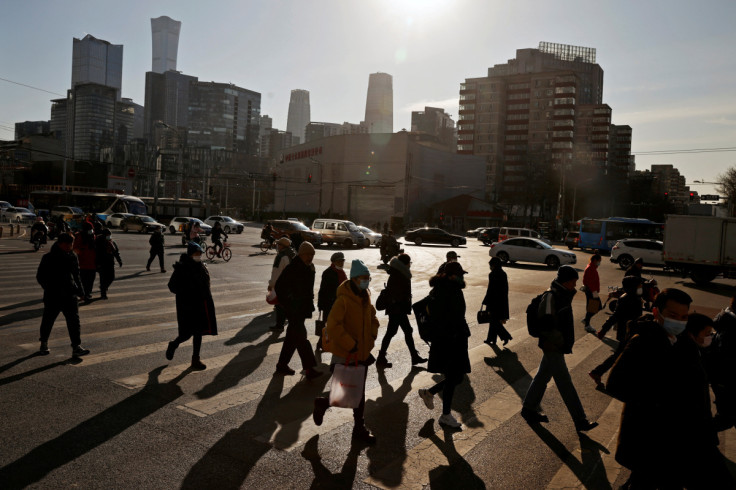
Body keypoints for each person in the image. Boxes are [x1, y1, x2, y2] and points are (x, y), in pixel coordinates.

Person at [606, 288, 692, 488]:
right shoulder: (642, 342)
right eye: (673, 315)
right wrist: (655, 401)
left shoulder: (683, 343)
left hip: (670, 435)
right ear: (656, 313)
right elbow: (615, 384)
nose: (679, 321)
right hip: (645, 433)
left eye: (684, 316)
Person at [520, 265, 598, 432]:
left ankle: (528, 409)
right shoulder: (552, 296)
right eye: (573, 282)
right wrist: (560, 341)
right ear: (565, 281)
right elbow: (546, 324)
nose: (575, 285)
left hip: (555, 345)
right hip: (552, 346)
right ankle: (580, 420)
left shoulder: (562, 294)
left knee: (542, 377)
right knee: (565, 383)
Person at [313, 259, 380, 444]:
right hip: (346, 354)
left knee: (356, 394)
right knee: (351, 394)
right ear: (355, 279)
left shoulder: (365, 297)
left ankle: (358, 430)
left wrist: (372, 336)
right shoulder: (343, 300)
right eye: (363, 278)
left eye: (368, 278)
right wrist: (350, 344)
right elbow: (333, 325)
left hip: (363, 354)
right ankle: (324, 404)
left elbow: (373, 318)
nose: (367, 281)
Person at [674, 313, 735, 489]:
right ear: (692, 334)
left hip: (698, 432)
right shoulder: (685, 359)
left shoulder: (696, 352)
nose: (711, 336)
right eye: (707, 333)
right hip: (693, 435)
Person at [417, 261, 471, 429]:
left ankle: (430, 393)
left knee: (456, 377)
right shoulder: (448, 290)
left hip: (451, 340)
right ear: (452, 276)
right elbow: (446, 318)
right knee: (455, 377)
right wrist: (454, 334)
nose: (462, 277)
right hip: (450, 342)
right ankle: (445, 415)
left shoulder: (443, 288)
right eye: (460, 274)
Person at [165, 242, 218, 370]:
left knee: (198, 333)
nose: (198, 256)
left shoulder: (201, 266)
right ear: (190, 254)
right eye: (196, 253)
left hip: (200, 305)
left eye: (200, 253)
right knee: (186, 334)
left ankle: (195, 360)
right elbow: (172, 286)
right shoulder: (182, 268)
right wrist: (186, 293)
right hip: (187, 307)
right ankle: (173, 344)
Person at [36, 233, 90, 357]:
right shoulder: (48, 257)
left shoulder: (72, 256)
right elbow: (40, 276)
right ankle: (43, 343)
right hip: (53, 296)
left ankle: (76, 346)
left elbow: (77, 275)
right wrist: (49, 288)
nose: (70, 246)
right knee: (48, 320)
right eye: (67, 244)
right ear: (60, 243)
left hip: (70, 295)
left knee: (74, 322)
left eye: (71, 244)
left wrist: (81, 292)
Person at [273, 242, 322, 379]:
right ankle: (309, 368)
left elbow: (308, 290)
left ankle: (282, 364)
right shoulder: (293, 268)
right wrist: (290, 303)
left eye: (312, 254)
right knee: (302, 339)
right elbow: (279, 287)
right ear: (301, 254)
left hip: (301, 309)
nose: (311, 257)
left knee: (291, 339)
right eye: (308, 254)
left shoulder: (309, 268)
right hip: (294, 310)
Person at [588, 275, 643, 388]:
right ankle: (598, 373)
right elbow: (616, 316)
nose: (640, 287)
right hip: (627, 332)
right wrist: (603, 329)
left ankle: (598, 372)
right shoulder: (626, 298)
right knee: (621, 355)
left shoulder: (635, 297)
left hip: (631, 331)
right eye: (639, 285)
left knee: (621, 355)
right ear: (633, 287)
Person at [376, 253, 426, 368]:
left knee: (403, 331)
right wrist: (404, 299)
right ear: (405, 264)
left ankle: (413, 356)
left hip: (397, 308)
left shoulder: (398, 273)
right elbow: (396, 293)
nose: (410, 265)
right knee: (395, 332)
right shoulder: (399, 274)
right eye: (409, 263)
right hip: (397, 309)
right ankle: (381, 358)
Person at [708, 295, 736, 432]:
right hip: (727, 383)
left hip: (723, 381)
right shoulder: (731, 329)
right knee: (725, 419)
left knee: (725, 418)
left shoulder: (726, 320)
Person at [316, 252, 347, 350]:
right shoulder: (328, 272)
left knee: (338, 326)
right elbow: (323, 290)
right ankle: (321, 343)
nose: (341, 263)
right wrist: (320, 304)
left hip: (340, 304)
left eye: (342, 261)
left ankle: (334, 345)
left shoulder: (342, 272)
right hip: (329, 304)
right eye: (339, 261)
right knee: (327, 326)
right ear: (334, 262)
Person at [482, 256, 512, 347]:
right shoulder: (503, 273)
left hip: (493, 301)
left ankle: (506, 336)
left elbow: (490, 289)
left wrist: (485, 300)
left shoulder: (492, 274)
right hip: (501, 301)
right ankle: (491, 339)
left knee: (493, 321)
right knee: (494, 320)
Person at [268, 237, 295, 331]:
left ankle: (279, 326)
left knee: (280, 306)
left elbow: (276, 272)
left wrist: (271, 285)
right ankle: (290, 326)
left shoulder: (281, 257)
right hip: (291, 285)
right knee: (287, 306)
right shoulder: (292, 254)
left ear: (282, 246)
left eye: (278, 244)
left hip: (281, 285)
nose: (277, 246)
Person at [95, 229, 122, 300]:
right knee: (103, 279)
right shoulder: (98, 242)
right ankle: (103, 294)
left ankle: (103, 287)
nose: (109, 236)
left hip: (110, 263)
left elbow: (116, 252)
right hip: (102, 263)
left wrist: (119, 261)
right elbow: (96, 254)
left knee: (111, 277)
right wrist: (97, 264)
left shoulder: (111, 242)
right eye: (108, 235)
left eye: (110, 235)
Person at [73, 221, 97, 302]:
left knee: (91, 280)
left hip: (93, 263)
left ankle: (88, 293)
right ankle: (84, 294)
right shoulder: (80, 236)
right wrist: (82, 253)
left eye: (92, 229)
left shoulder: (93, 236)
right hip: (83, 263)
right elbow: (75, 248)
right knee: (84, 280)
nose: (92, 230)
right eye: (90, 229)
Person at [581, 254, 601, 334]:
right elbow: (589, 282)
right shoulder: (590, 268)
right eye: (599, 261)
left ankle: (586, 320)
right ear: (595, 260)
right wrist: (594, 292)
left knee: (594, 307)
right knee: (595, 307)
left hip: (592, 291)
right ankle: (587, 324)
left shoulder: (592, 267)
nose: (599, 263)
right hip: (592, 291)